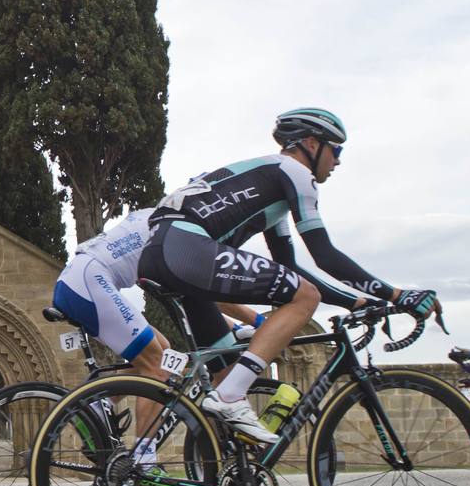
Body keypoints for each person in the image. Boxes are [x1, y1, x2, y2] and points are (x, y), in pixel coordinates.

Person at [137, 108, 440, 442]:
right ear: (311, 144)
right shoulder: (294, 172)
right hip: (184, 249)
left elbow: (291, 267)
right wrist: (397, 295)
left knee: (226, 370)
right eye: (336, 150)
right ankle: (229, 398)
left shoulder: (269, 190)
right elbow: (325, 256)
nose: (337, 161)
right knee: (304, 297)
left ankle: (183, 466)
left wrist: (356, 301)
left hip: (164, 253)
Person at [53, 207, 264, 472]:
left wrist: (232, 327)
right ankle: (143, 457)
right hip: (89, 281)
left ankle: (99, 403)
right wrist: (259, 323)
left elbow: (195, 299)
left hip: (83, 278)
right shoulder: (181, 231)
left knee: (162, 355)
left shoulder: (163, 217)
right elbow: (207, 293)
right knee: (156, 365)